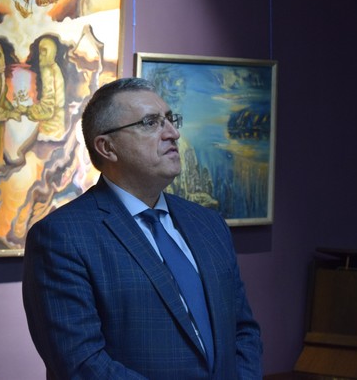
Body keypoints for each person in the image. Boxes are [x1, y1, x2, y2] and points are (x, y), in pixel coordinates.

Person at [22, 77, 262, 379]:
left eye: (170, 119)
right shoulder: (62, 237)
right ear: (107, 147)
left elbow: (243, 331)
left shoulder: (208, 224)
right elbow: (82, 362)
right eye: (151, 123)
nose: (173, 133)